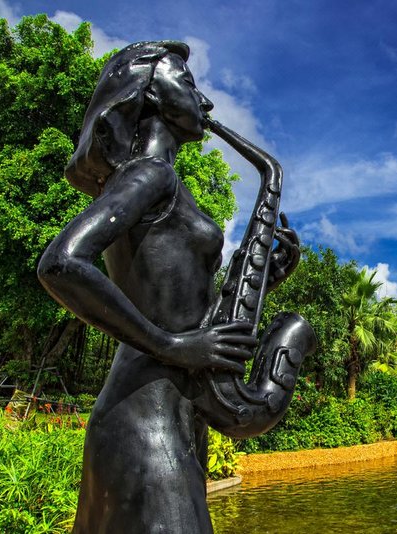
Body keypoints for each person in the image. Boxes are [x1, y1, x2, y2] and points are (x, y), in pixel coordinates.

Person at [38, 41, 301, 533]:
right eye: (189, 84)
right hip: (145, 417)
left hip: (169, 414)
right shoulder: (150, 174)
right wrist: (171, 346)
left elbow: (181, 301)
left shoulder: (166, 184)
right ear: (153, 93)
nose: (205, 102)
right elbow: (60, 264)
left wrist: (262, 279)